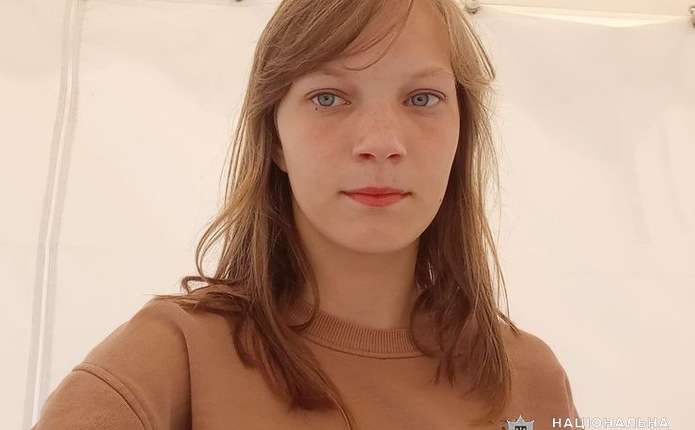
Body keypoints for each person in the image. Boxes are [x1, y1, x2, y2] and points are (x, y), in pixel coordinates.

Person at [32, 0, 580, 429]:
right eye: (329, 98)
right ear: (274, 137)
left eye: (422, 99)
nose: (381, 143)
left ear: (463, 133)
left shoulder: (529, 381)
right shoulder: (175, 355)